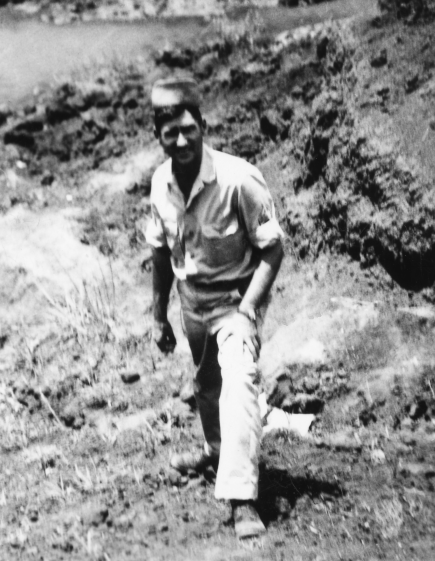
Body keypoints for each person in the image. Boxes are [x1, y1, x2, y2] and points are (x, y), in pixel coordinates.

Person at [145, 77, 285, 539]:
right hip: (192, 301)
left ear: (203, 125)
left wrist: (249, 310)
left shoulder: (238, 179)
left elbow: (272, 250)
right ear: (159, 136)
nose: (182, 141)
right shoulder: (159, 185)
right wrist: (157, 315)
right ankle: (216, 449)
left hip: (234, 300)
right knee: (207, 384)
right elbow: (162, 254)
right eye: (171, 133)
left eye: (189, 129)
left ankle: (242, 498)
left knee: (239, 379)